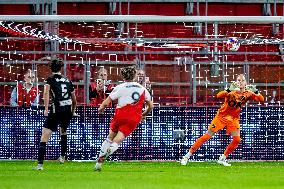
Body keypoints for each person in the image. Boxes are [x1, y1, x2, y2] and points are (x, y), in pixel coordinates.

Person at [181, 74, 264, 166]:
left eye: (242, 80)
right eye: (238, 80)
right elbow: (218, 95)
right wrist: (228, 89)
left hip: (233, 119)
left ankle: (223, 158)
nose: (240, 82)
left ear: (246, 82)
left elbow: (261, 100)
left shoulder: (248, 93)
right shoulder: (232, 92)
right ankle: (187, 156)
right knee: (207, 136)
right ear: (236, 82)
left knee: (237, 139)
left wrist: (256, 91)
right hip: (221, 117)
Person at [95, 66, 154, 171]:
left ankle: (99, 163)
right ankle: (110, 150)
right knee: (117, 141)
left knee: (110, 137)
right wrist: (144, 114)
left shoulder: (120, 87)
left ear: (123, 76)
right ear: (135, 75)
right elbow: (151, 106)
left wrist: (101, 108)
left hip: (119, 115)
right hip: (133, 118)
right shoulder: (142, 89)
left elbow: (106, 101)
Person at [33, 58, 77, 170]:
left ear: (50, 68)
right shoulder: (68, 81)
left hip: (56, 109)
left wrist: (46, 108)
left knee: (44, 135)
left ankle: (40, 165)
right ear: (61, 68)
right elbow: (74, 100)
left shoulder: (50, 80)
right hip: (67, 110)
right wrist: (72, 112)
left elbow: (46, 93)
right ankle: (62, 157)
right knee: (63, 131)